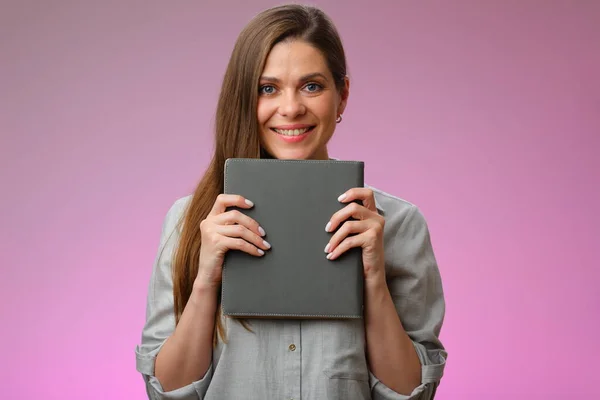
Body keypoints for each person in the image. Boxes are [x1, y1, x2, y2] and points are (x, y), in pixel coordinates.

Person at [135, 4, 447, 399]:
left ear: (342, 96)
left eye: (312, 86)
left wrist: (373, 281)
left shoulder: (398, 224)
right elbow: (167, 392)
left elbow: (411, 393)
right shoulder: (191, 222)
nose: (291, 108)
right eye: (268, 88)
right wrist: (207, 280)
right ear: (244, 99)